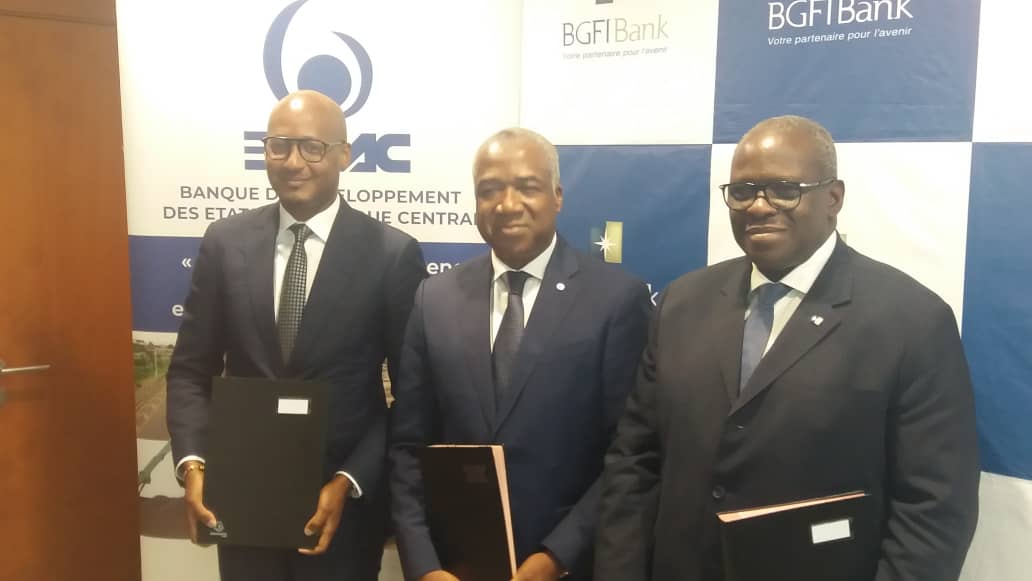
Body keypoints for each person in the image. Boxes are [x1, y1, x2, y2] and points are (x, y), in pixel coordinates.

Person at [595, 115, 979, 581]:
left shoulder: (912, 321)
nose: (759, 206)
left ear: (833, 198)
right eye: (743, 191)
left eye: (784, 189)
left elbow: (934, 511)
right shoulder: (681, 303)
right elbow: (635, 462)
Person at [166, 90, 426, 581]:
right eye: (278, 146)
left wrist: (350, 480)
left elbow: (413, 396)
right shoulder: (225, 243)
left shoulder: (391, 255)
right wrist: (193, 465)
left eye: (312, 147)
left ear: (344, 154)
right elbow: (190, 371)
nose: (292, 162)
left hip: (342, 512)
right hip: (240, 503)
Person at [390, 128, 651, 581]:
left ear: (557, 196)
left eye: (527, 187)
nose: (507, 204)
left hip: (569, 566)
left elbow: (628, 455)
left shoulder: (616, 300)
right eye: (490, 189)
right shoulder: (434, 299)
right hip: (456, 567)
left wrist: (557, 557)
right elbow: (409, 446)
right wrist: (424, 564)